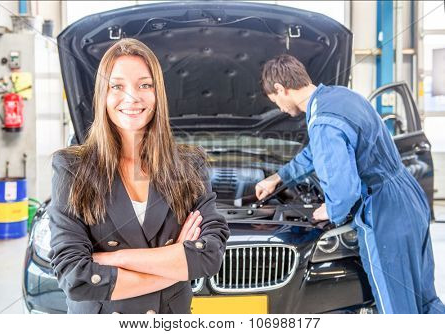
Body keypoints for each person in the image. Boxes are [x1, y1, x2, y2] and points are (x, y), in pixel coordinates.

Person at [48, 38, 230, 314]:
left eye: (144, 85)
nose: (132, 97)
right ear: (103, 96)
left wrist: (115, 258)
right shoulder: (71, 168)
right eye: (117, 86)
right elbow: (75, 276)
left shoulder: (190, 165)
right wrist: (176, 263)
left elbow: (209, 256)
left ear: (158, 95)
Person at [255, 54, 445, 314]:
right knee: (424, 298)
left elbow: (344, 193)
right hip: (408, 195)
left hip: (383, 210)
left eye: (275, 100)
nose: (279, 108)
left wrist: (329, 210)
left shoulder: (322, 121)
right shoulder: (340, 97)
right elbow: (315, 153)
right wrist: (279, 177)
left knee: (396, 305)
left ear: (280, 89)